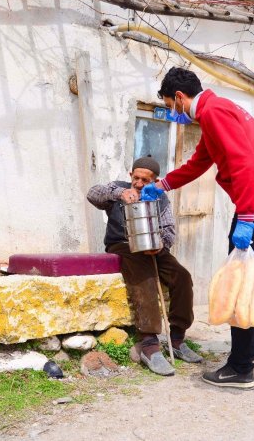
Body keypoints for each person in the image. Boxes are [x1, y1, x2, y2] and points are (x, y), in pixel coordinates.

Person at [143, 67, 254, 390]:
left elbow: (243, 164)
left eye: (171, 104)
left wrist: (246, 217)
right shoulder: (218, 110)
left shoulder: (214, 114)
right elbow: (201, 160)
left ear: (180, 98)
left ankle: (241, 367)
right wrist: (164, 184)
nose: (173, 111)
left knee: (238, 280)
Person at [87, 156, 203, 376]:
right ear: (131, 175)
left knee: (182, 276)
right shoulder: (117, 189)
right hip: (122, 245)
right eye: (136, 178)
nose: (139, 183)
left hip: (154, 248)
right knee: (145, 276)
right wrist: (118, 194)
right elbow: (92, 193)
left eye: (145, 180)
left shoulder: (161, 199)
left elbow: (169, 231)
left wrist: (159, 245)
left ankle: (177, 338)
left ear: (155, 180)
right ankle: (149, 345)